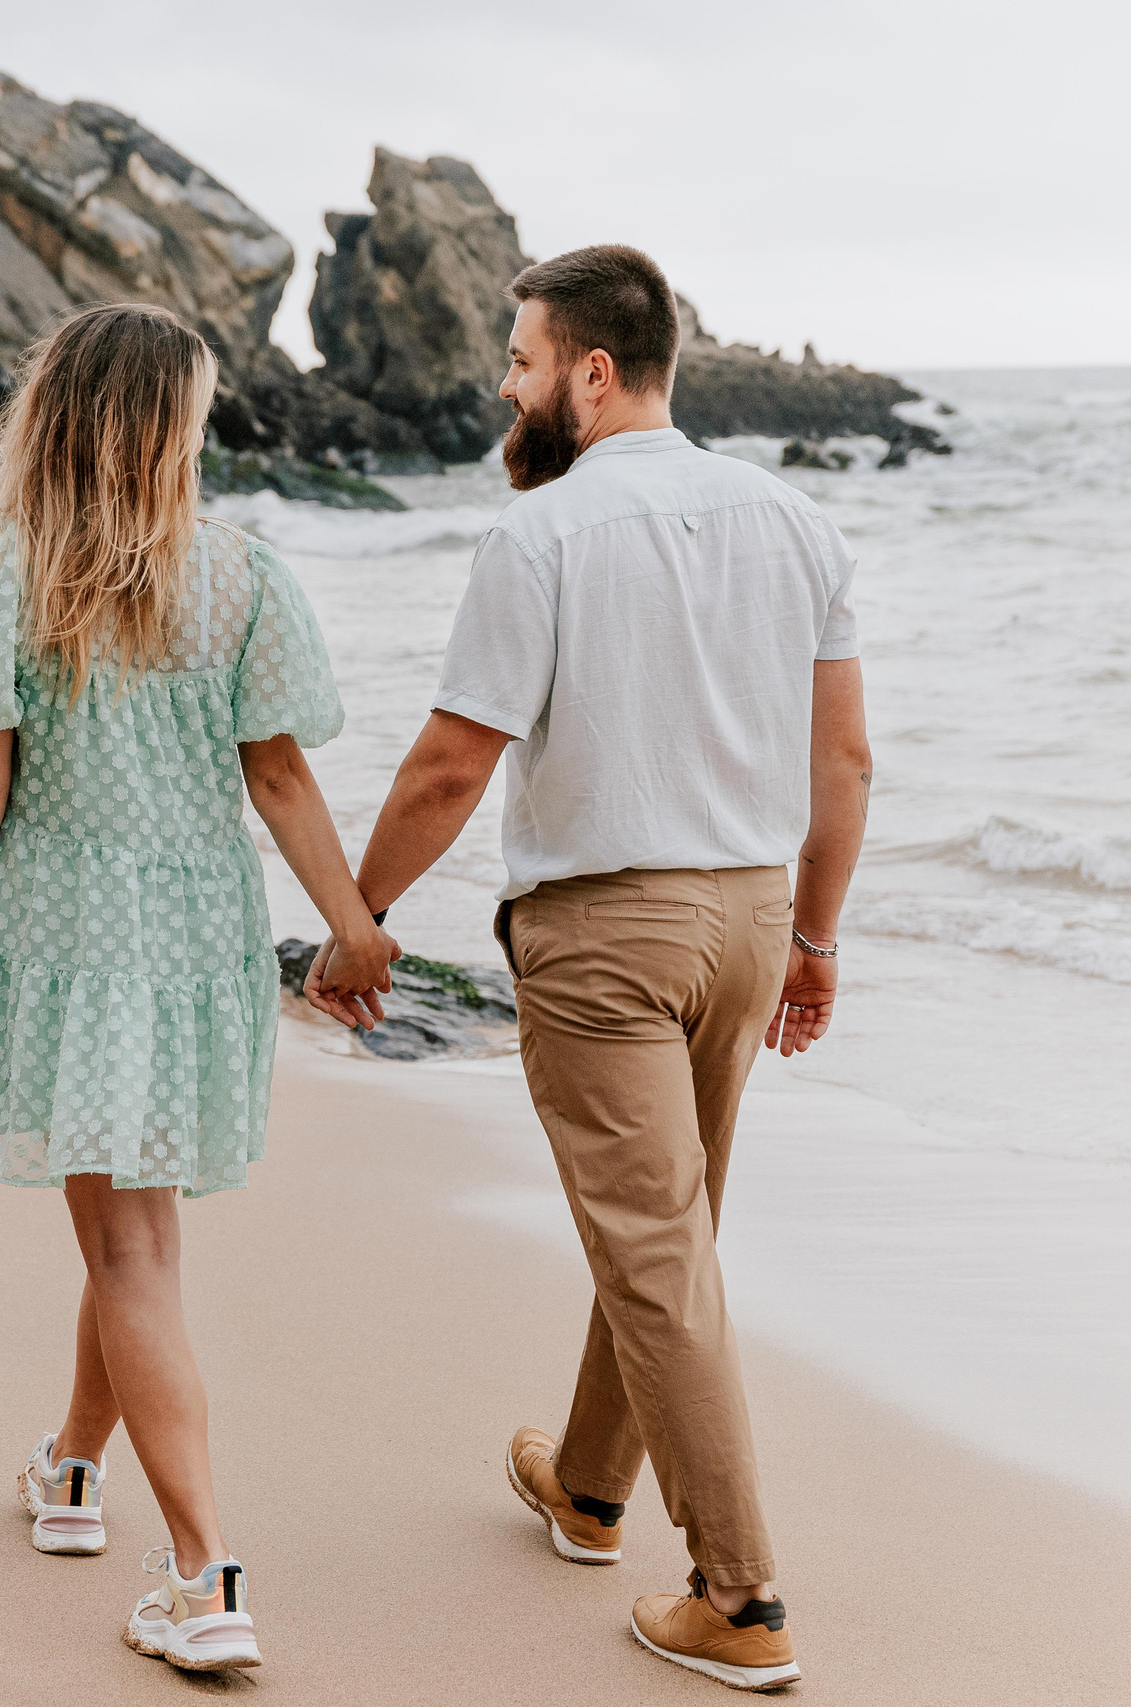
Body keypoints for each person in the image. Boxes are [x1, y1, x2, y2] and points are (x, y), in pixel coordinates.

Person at [311, 245, 872, 1691]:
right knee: (667, 1231)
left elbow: (450, 763)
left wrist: (356, 917)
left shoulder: (542, 535)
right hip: (747, 923)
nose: (509, 383)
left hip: (607, 936)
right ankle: (586, 1485)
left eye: (522, 359)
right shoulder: (799, 523)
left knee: (657, 1251)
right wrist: (813, 940)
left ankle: (741, 1601)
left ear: (594, 373)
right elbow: (846, 762)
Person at [0, 301, 397, 1674]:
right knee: (128, 1221)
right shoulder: (241, 573)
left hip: (68, 931)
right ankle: (72, 1469)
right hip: (194, 942)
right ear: (172, 428)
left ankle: (202, 1575)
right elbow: (282, 776)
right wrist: (350, 927)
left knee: (129, 1244)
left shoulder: (7, 564)